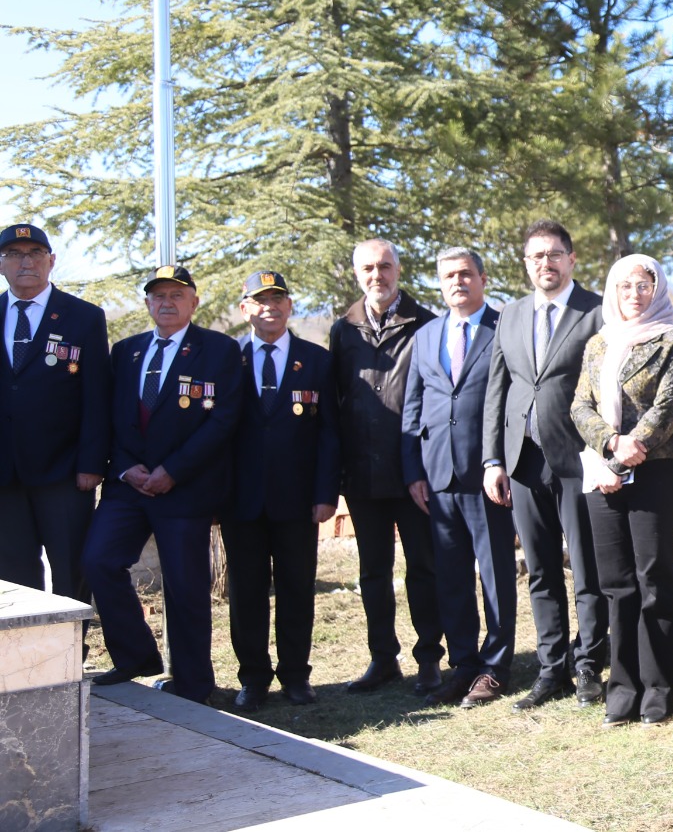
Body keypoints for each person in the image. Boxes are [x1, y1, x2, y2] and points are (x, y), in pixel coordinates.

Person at [86, 266, 242, 703]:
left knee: (186, 587)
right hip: (128, 485)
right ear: (148, 304)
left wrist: (173, 470)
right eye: (158, 296)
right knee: (98, 560)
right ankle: (135, 656)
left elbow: (223, 420)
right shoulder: (127, 351)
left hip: (185, 488)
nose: (167, 302)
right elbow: (113, 416)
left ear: (194, 302)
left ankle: (194, 685)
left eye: (177, 294)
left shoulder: (219, 350)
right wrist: (126, 468)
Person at [482, 221, 607, 710]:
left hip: (578, 459)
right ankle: (551, 668)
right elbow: (499, 390)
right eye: (536, 256)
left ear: (572, 259)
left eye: (555, 254)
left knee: (586, 569)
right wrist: (493, 459)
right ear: (526, 263)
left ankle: (589, 666)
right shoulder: (509, 316)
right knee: (540, 570)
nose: (545, 264)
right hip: (523, 461)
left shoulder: (595, 311)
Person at [571, 254, 673, 726]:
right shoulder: (599, 343)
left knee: (652, 580)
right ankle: (622, 687)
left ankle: (660, 687)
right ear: (612, 292)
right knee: (617, 585)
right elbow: (580, 405)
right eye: (624, 287)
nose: (634, 294)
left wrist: (625, 451)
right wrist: (608, 446)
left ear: (656, 289)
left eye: (643, 285)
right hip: (602, 474)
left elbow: (668, 406)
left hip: (654, 470)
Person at [327, 239, 444, 695]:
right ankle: (382, 658)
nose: (378, 275)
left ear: (399, 269)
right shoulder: (344, 330)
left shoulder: (427, 325)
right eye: (369, 268)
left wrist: (423, 467)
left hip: (413, 472)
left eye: (385, 266)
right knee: (373, 571)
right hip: (361, 473)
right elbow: (336, 404)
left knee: (424, 568)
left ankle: (430, 658)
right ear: (358, 274)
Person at [224, 270, 340, 712]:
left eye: (278, 299)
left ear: (290, 306)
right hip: (240, 499)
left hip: (298, 499)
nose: (270, 307)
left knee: (296, 589)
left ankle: (296, 675)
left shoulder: (316, 360)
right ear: (245, 309)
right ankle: (253, 678)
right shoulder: (227, 358)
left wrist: (326, 493)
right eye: (260, 300)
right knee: (246, 592)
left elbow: (330, 433)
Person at [403, 247, 514, 708]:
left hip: (486, 473)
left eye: (466, 274)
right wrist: (413, 471)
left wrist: (500, 461)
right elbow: (413, 406)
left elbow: (511, 401)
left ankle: (495, 666)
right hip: (437, 476)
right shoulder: (427, 335)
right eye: (449, 276)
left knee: (494, 576)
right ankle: (463, 664)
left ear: (482, 279)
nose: (458, 282)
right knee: (450, 578)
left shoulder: (503, 327)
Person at [0, 223, 110, 609]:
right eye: (14, 254)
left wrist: (92, 462)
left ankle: (70, 656)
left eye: (34, 253)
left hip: (64, 472)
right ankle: (25, 662)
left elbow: (97, 396)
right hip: (5, 474)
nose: (25, 262)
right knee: (12, 573)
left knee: (70, 569)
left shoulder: (83, 317)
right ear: (1, 264)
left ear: (51, 261)